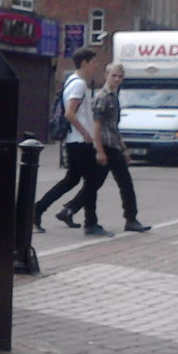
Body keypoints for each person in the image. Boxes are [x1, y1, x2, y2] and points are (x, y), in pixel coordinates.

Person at [52, 63, 151, 233]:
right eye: (114, 75)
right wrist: (99, 150)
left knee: (95, 184)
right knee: (124, 183)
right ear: (106, 75)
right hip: (105, 147)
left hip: (113, 145)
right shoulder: (102, 97)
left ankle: (69, 209)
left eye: (120, 76)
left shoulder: (114, 96)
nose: (117, 79)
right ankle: (131, 219)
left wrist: (124, 148)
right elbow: (96, 125)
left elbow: (113, 127)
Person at [34, 47, 113, 237]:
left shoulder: (72, 81)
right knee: (91, 180)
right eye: (94, 62)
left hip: (74, 141)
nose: (96, 66)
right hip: (79, 142)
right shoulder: (78, 85)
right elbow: (70, 113)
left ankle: (38, 209)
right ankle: (91, 223)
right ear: (84, 62)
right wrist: (86, 134)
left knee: (72, 180)